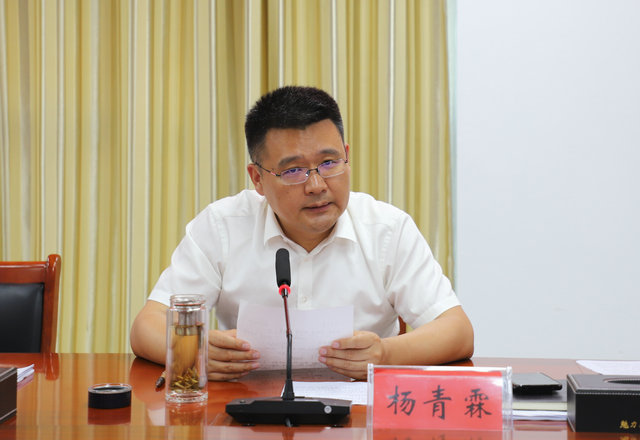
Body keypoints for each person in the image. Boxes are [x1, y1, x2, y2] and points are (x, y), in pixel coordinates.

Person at [130, 86, 474, 381]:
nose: (316, 185)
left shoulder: (387, 229)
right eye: (293, 170)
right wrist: (195, 351)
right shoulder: (222, 226)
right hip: (248, 411)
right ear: (257, 178)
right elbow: (146, 327)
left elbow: (457, 331)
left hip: (359, 415)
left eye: (329, 163)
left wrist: (384, 353)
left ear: (347, 156)